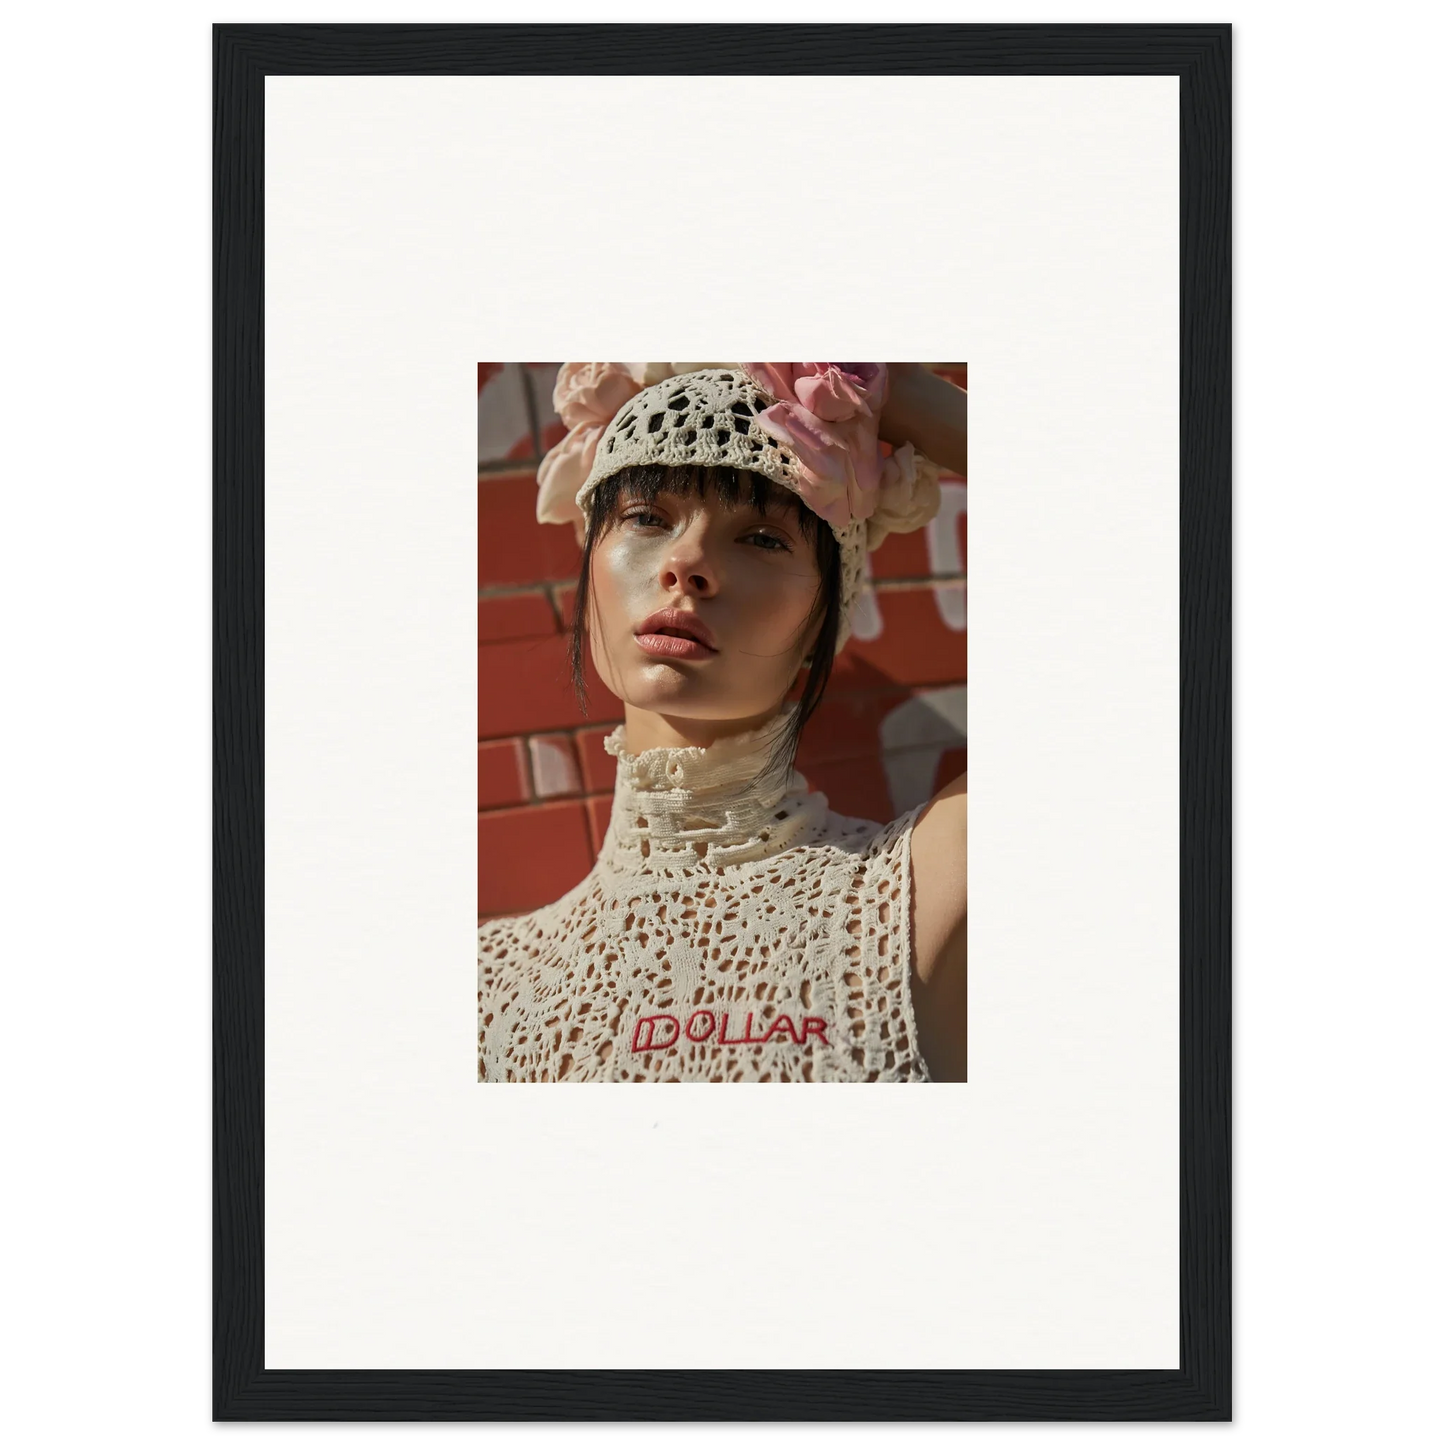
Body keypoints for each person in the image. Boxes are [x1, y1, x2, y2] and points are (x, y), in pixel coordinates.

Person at [477, 363, 968, 1082]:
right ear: (589, 579)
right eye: (646, 517)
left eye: (764, 537)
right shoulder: (488, 985)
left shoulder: (918, 895)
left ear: (821, 621)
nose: (687, 562)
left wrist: (881, 385)